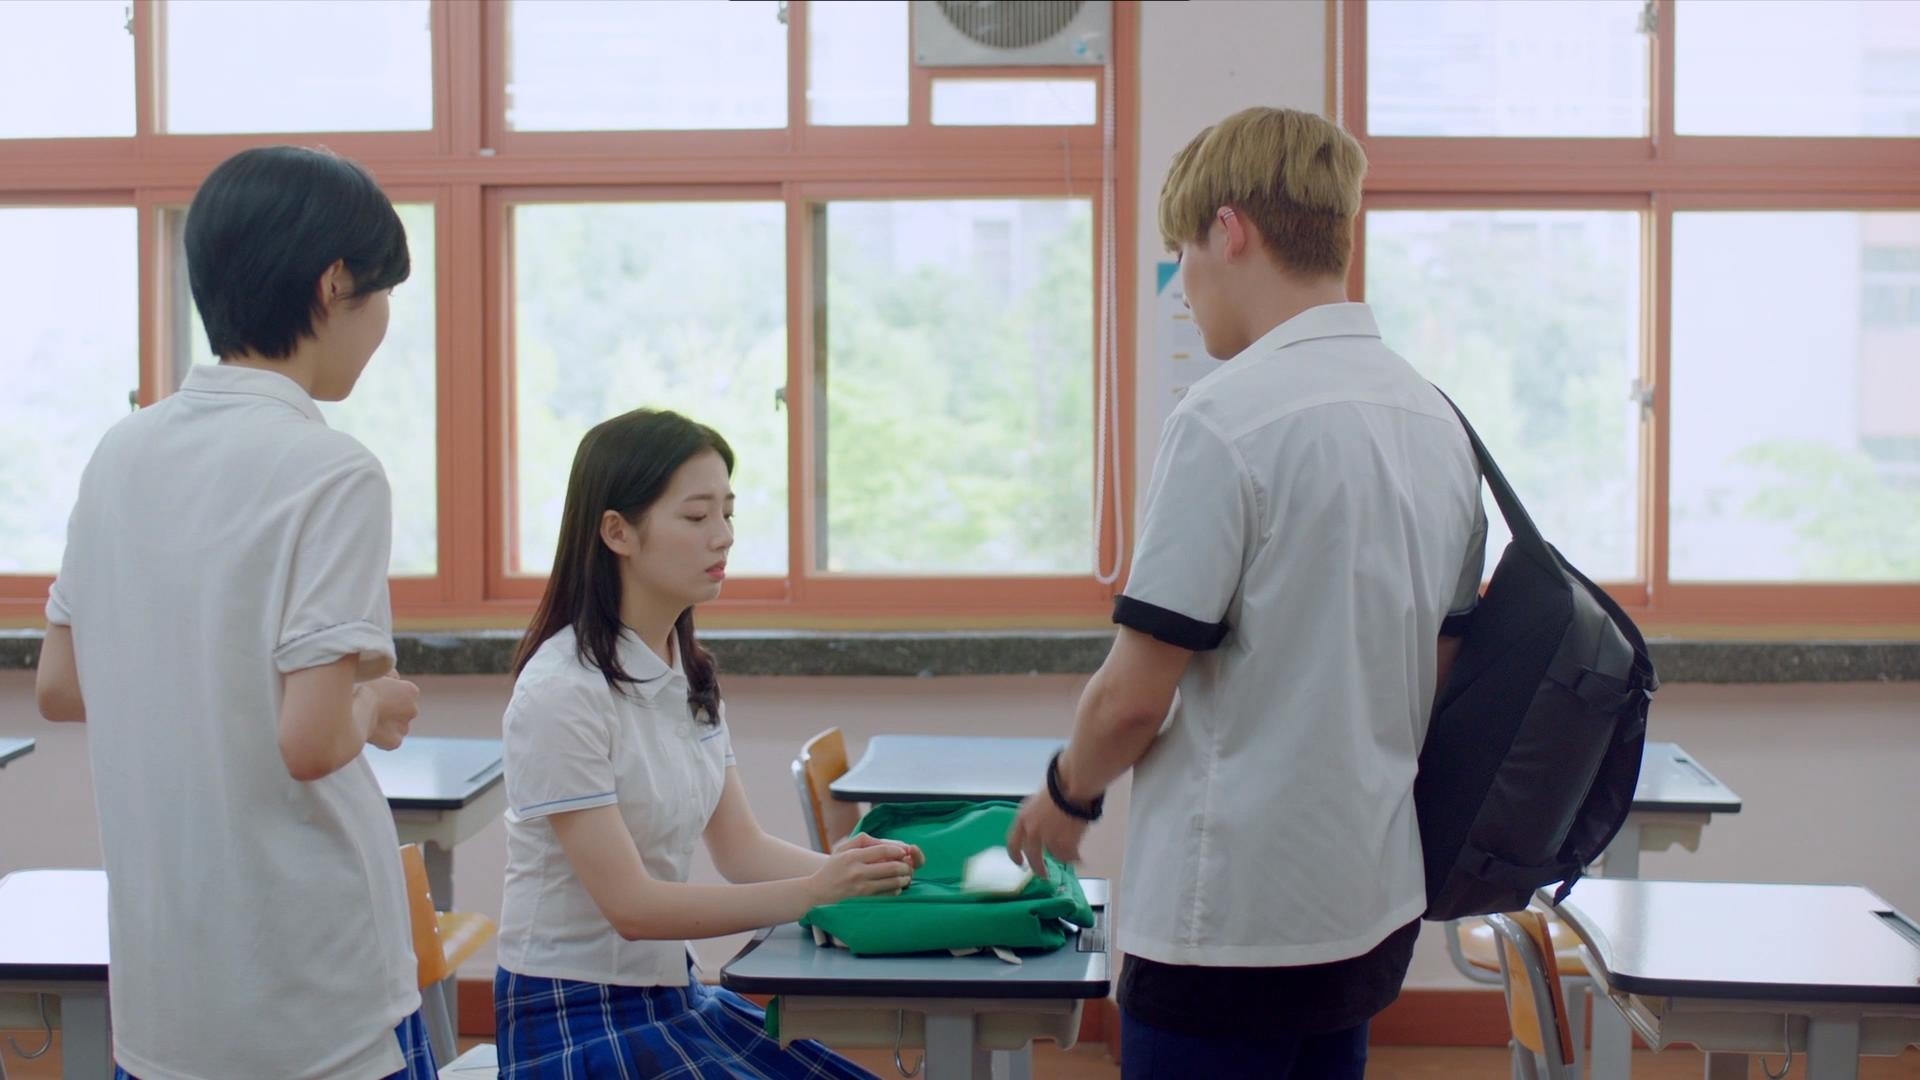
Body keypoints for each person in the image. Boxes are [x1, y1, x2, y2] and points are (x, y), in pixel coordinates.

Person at [1006, 107, 1488, 1079]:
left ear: (1230, 231)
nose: (1183, 289)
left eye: (1182, 254)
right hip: (1365, 904)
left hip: (1227, 922)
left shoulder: (1226, 420)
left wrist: (1065, 794)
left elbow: (1133, 698)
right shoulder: (1436, 422)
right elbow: (1441, 672)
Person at [35, 145, 435, 1079]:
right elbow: (311, 742)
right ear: (335, 284)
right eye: (383, 296)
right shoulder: (332, 471)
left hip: (163, 994)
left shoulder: (121, 451)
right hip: (313, 993)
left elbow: (61, 686)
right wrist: (374, 705)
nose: (382, 324)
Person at [495, 408, 920, 1079]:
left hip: (675, 993)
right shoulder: (561, 691)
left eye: (727, 511)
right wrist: (817, 890)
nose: (722, 536)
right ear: (617, 531)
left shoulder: (686, 673)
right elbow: (632, 907)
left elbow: (741, 850)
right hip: (571, 1013)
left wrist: (854, 876)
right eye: (696, 516)